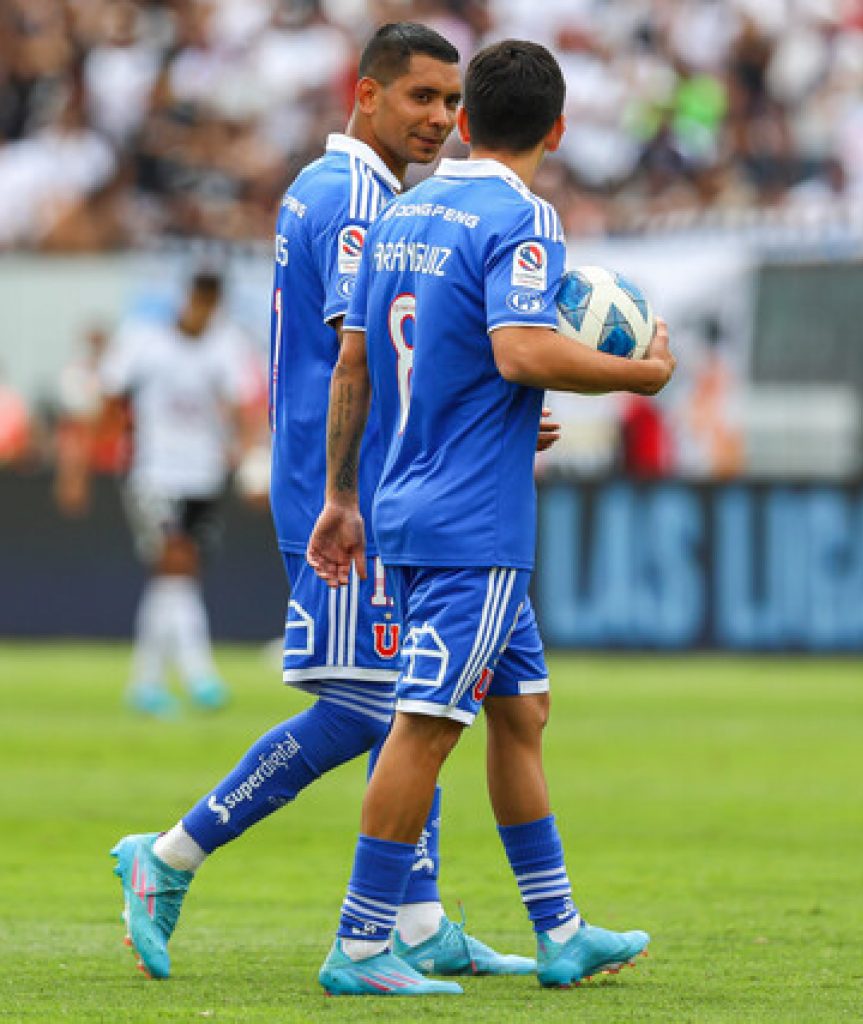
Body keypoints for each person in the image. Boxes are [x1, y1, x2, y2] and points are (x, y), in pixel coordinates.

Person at [110, 23, 532, 983]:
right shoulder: (355, 200)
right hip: (342, 492)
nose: (441, 118)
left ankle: (418, 921)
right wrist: (346, 493)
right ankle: (170, 855)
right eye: (421, 97)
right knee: (368, 708)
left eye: (450, 101)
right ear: (366, 92)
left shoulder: (339, 186)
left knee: (409, 701)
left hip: (366, 484)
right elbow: (357, 355)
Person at [306, 38, 676, 996]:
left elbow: (358, 362)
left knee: (521, 711)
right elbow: (519, 350)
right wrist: (638, 375)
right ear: (559, 129)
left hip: (405, 499)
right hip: (474, 523)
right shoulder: (524, 214)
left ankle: (561, 932)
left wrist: (342, 494)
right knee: (426, 727)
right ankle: (360, 945)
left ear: (464, 121)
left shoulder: (401, 211)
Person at [76, 269, 254, 716]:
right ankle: (201, 675)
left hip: (205, 475)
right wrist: (82, 462)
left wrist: (249, 461)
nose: (203, 310)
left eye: (211, 303)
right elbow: (110, 397)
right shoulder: (144, 340)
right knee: (177, 561)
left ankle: (146, 684)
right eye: (199, 300)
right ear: (187, 298)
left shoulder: (227, 345)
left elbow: (241, 409)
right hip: (154, 473)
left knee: (173, 579)